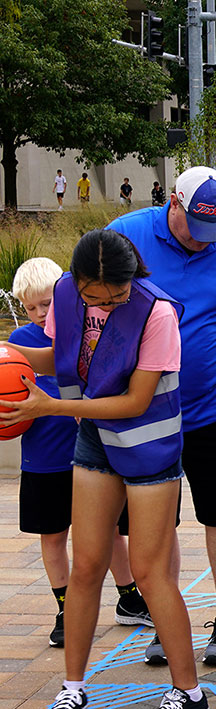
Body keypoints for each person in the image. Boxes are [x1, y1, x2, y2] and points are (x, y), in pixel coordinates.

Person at [3, 229, 210, 709]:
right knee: (88, 564)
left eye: (117, 295)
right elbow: (65, 357)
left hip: (149, 444)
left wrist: (51, 406)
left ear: (132, 279)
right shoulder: (67, 297)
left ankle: (190, 693)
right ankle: (72, 687)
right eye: (97, 297)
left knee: (148, 570)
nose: (108, 304)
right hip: (95, 438)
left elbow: (136, 401)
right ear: (77, 284)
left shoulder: (158, 313)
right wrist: (11, 357)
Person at [107, 166, 216, 667]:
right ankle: (166, 617)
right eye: (195, 230)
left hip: (215, 409)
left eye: (213, 233)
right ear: (172, 206)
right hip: (141, 412)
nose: (205, 243)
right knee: (153, 523)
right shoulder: (126, 237)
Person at [10, 257, 149, 649]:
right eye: (31, 307)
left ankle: (129, 597)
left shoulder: (82, 336)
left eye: (47, 305)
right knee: (53, 537)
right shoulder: (17, 346)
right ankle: (65, 608)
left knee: (108, 532)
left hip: (88, 454)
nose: (40, 314)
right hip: (42, 459)